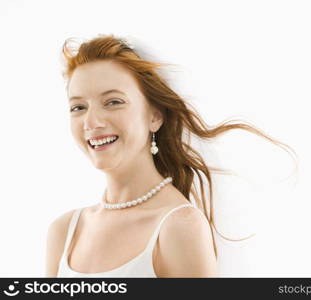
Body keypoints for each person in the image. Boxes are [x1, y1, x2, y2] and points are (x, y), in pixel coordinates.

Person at [45, 34, 298, 277]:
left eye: (113, 102)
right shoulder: (65, 231)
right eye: (78, 107)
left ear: (154, 116)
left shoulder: (178, 227)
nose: (92, 121)